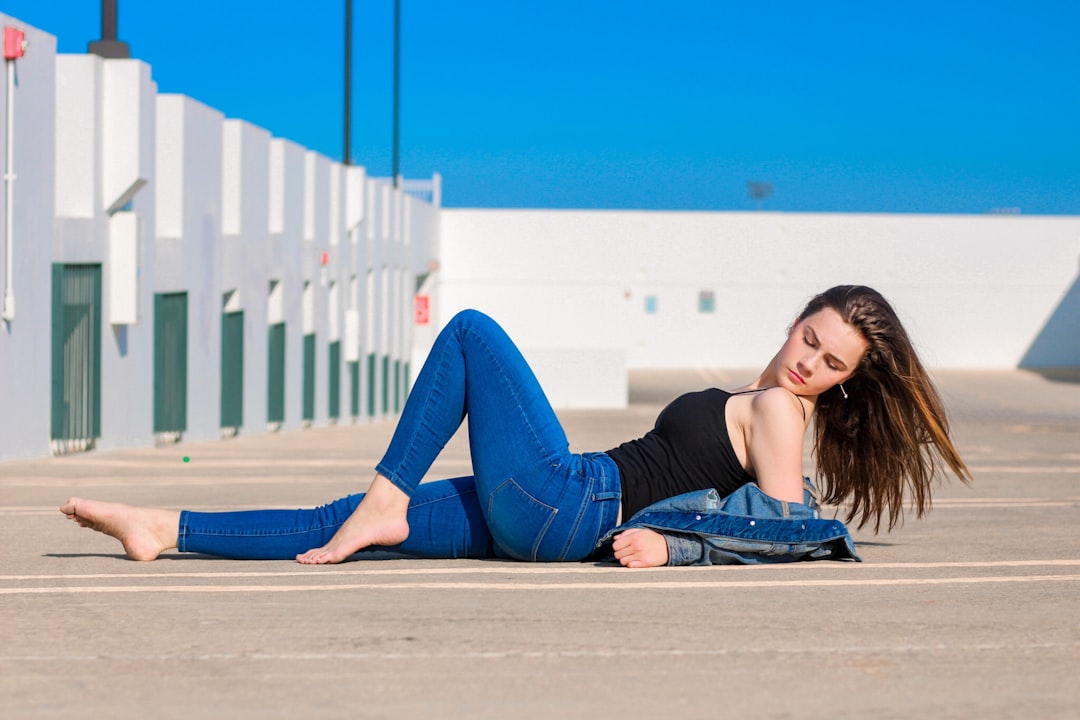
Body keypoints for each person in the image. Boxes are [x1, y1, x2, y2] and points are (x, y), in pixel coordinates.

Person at [61, 285, 971, 568]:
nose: (808, 362)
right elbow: (770, 508)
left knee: (471, 337)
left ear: (844, 384)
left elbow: (785, 533)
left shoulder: (781, 411)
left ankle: (386, 499)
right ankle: (163, 527)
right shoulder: (766, 399)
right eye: (810, 338)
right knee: (332, 524)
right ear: (797, 322)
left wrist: (670, 543)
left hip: (574, 501)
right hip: (552, 513)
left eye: (832, 363)